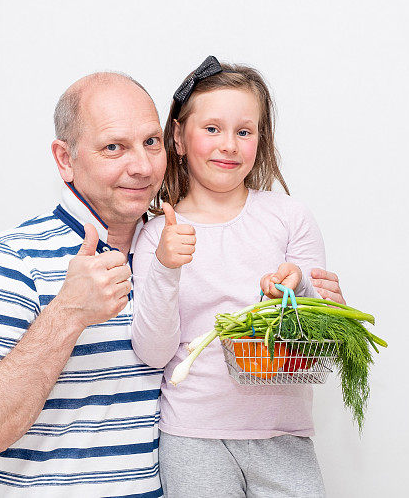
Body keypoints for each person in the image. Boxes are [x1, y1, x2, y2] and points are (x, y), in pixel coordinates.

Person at [0, 70, 345, 497]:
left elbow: (297, 342)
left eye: (149, 143)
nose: (140, 166)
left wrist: (313, 302)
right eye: (113, 147)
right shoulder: (11, 259)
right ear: (65, 159)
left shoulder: (162, 241)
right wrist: (66, 313)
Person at [130, 56, 331, 498]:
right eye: (212, 129)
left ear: (261, 140)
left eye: (245, 131)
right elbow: (152, 352)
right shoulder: (155, 235)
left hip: (283, 434)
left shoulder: (289, 217)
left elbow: (326, 329)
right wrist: (166, 268)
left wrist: (302, 289)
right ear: (179, 138)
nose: (229, 145)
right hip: (194, 434)